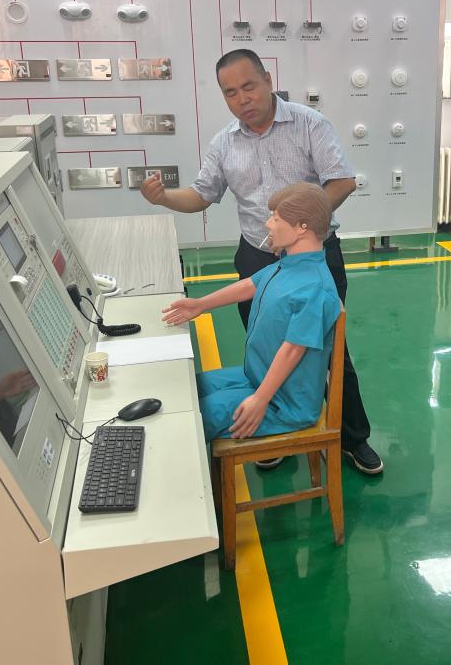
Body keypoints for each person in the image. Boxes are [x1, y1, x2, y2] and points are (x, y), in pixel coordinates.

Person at [140, 55, 382, 472]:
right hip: (257, 255)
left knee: (328, 350)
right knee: (265, 342)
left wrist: (303, 223)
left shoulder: (310, 125)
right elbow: (200, 195)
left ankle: (352, 437)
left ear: (268, 80)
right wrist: (163, 198)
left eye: (249, 87)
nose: (242, 99)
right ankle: (267, 427)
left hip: (312, 254)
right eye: (230, 93)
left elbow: (342, 181)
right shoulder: (224, 143)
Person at [161, 183, 341, 442]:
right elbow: (250, 285)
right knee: (190, 389)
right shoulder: (289, 265)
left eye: (276, 218)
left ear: (302, 227)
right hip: (256, 374)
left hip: (285, 403)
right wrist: (200, 305)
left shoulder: (315, 289)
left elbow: (293, 350)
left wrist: (260, 399)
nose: (268, 224)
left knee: (196, 417)